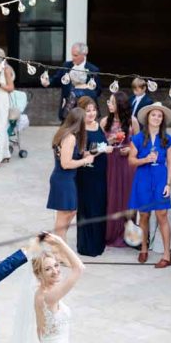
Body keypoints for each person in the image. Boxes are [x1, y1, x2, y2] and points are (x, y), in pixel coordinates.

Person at [128, 103, 171, 268]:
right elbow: (131, 160)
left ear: (162, 120)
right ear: (148, 117)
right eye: (153, 115)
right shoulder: (138, 138)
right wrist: (144, 160)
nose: (156, 118)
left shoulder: (167, 139)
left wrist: (168, 184)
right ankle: (143, 248)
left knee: (162, 215)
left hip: (161, 178)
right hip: (143, 178)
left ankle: (167, 255)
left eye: (159, 116)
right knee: (144, 215)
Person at [47, 108, 95, 239]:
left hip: (65, 178)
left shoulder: (66, 134)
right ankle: (58, 248)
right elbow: (66, 163)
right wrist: (85, 161)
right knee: (64, 215)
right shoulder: (70, 138)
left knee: (71, 211)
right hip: (63, 179)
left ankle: (58, 242)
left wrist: (83, 154)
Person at [104, 90, 138, 248]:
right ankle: (110, 232)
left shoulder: (133, 121)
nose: (109, 105)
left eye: (112, 102)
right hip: (110, 163)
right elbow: (97, 146)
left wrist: (130, 150)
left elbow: (139, 145)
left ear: (120, 104)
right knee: (111, 196)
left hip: (127, 164)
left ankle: (129, 234)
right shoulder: (105, 121)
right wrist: (109, 141)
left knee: (127, 197)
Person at [73, 97, 107, 256]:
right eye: (88, 111)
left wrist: (110, 142)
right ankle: (87, 245)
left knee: (100, 205)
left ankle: (99, 242)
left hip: (100, 172)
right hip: (86, 173)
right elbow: (82, 153)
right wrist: (102, 149)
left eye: (94, 110)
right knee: (88, 207)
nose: (92, 113)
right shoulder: (79, 130)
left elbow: (101, 143)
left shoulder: (98, 125)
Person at [41, 42, 101, 120]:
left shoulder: (93, 69)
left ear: (84, 54)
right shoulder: (66, 65)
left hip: (86, 110)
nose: (73, 58)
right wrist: (47, 82)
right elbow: (57, 79)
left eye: (75, 55)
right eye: (72, 54)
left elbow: (98, 90)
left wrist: (86, 92)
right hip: (68, 107)